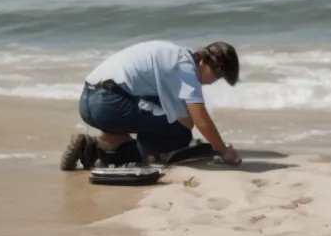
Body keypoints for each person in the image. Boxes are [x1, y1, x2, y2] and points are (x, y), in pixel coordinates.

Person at [60, 40, 242, 169]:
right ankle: (120, 152)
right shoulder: (187, 70)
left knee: (158, 112)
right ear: (207, 63)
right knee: (180, 132)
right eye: (217, 77)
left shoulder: (175, 54)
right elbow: (198, 120)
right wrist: (223, 149)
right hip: (109, 105)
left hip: (87, 101)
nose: (212, 82)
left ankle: (97, 145)